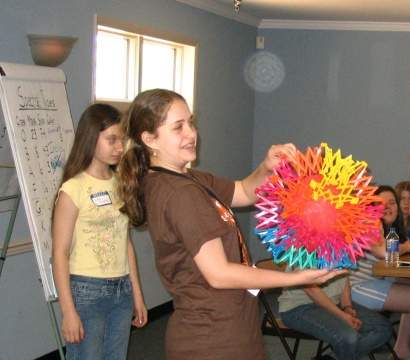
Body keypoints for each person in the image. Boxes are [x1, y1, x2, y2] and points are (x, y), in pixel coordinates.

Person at [117, 89, 345, 360]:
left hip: (229, 324)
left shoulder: (185, 178)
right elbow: (219, 273)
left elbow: (244, 192)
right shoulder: (180, 193)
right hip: (213, 336)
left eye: (191, 122)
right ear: (149, 139)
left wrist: (266, 167)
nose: (191, 134)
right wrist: (295, 278)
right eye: (178, 127)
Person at [52, 104, 147, 360]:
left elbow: (126, 243)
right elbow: (59, 253)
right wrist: (68, 311)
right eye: (111, 140)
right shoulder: (73, 189)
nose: (119, 147)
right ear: (91, 138)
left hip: (121, 290)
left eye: (122, 140)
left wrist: (137, 294)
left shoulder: (121, 183)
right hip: (86, 290)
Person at [351, 185, 410, 360]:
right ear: (372, 207)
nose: (388, 207)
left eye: (392, 202)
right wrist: (408, 245)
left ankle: (402, 348)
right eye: (381, 203)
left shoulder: (391, 231)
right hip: (355, 288)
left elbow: (392, 261)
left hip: (373, 282)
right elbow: (386, 254)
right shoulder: (368, 225)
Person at [278, 273, 392, 360]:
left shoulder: (344, 244)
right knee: (348, 337)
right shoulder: (306, 246)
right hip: (299, 307)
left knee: (383, 328)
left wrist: (347, 307)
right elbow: (311, 289)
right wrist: (342, 315)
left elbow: (344, 276)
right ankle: (342, 353)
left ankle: (333, 357)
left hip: (334, 302)